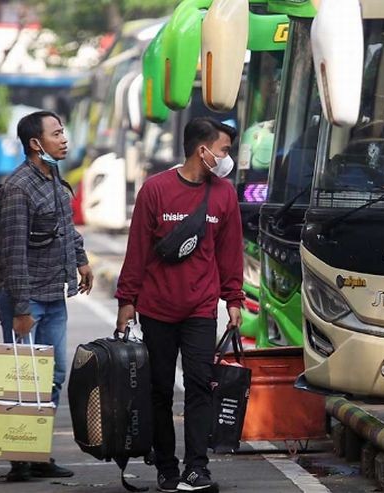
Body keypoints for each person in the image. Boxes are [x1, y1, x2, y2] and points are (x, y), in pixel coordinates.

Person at [115, 117, 244, 493]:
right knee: (157, 390)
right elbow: (137, 249)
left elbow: (229, 252)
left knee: (201, 386)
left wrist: (233, 299)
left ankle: (196, 469)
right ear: (202, 151)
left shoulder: (224, 195)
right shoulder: (155, 191)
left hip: (200, 309)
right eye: (223, 150)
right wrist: (127, 300)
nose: (226, 157)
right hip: (157, 309)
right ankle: (167, 467)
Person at [0, 110, 94, 481]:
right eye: (57, 133)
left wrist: (81, 261)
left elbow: (65, 228)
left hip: (53, 294)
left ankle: (38, 453)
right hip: (26, 296)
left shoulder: (53, 179)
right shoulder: (19, 187)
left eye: (63, 131)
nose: (64, 138)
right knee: (23, 379)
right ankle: (20, 458)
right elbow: (13, 251)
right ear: (36, 144)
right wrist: (20, 308)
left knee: (53, 377)